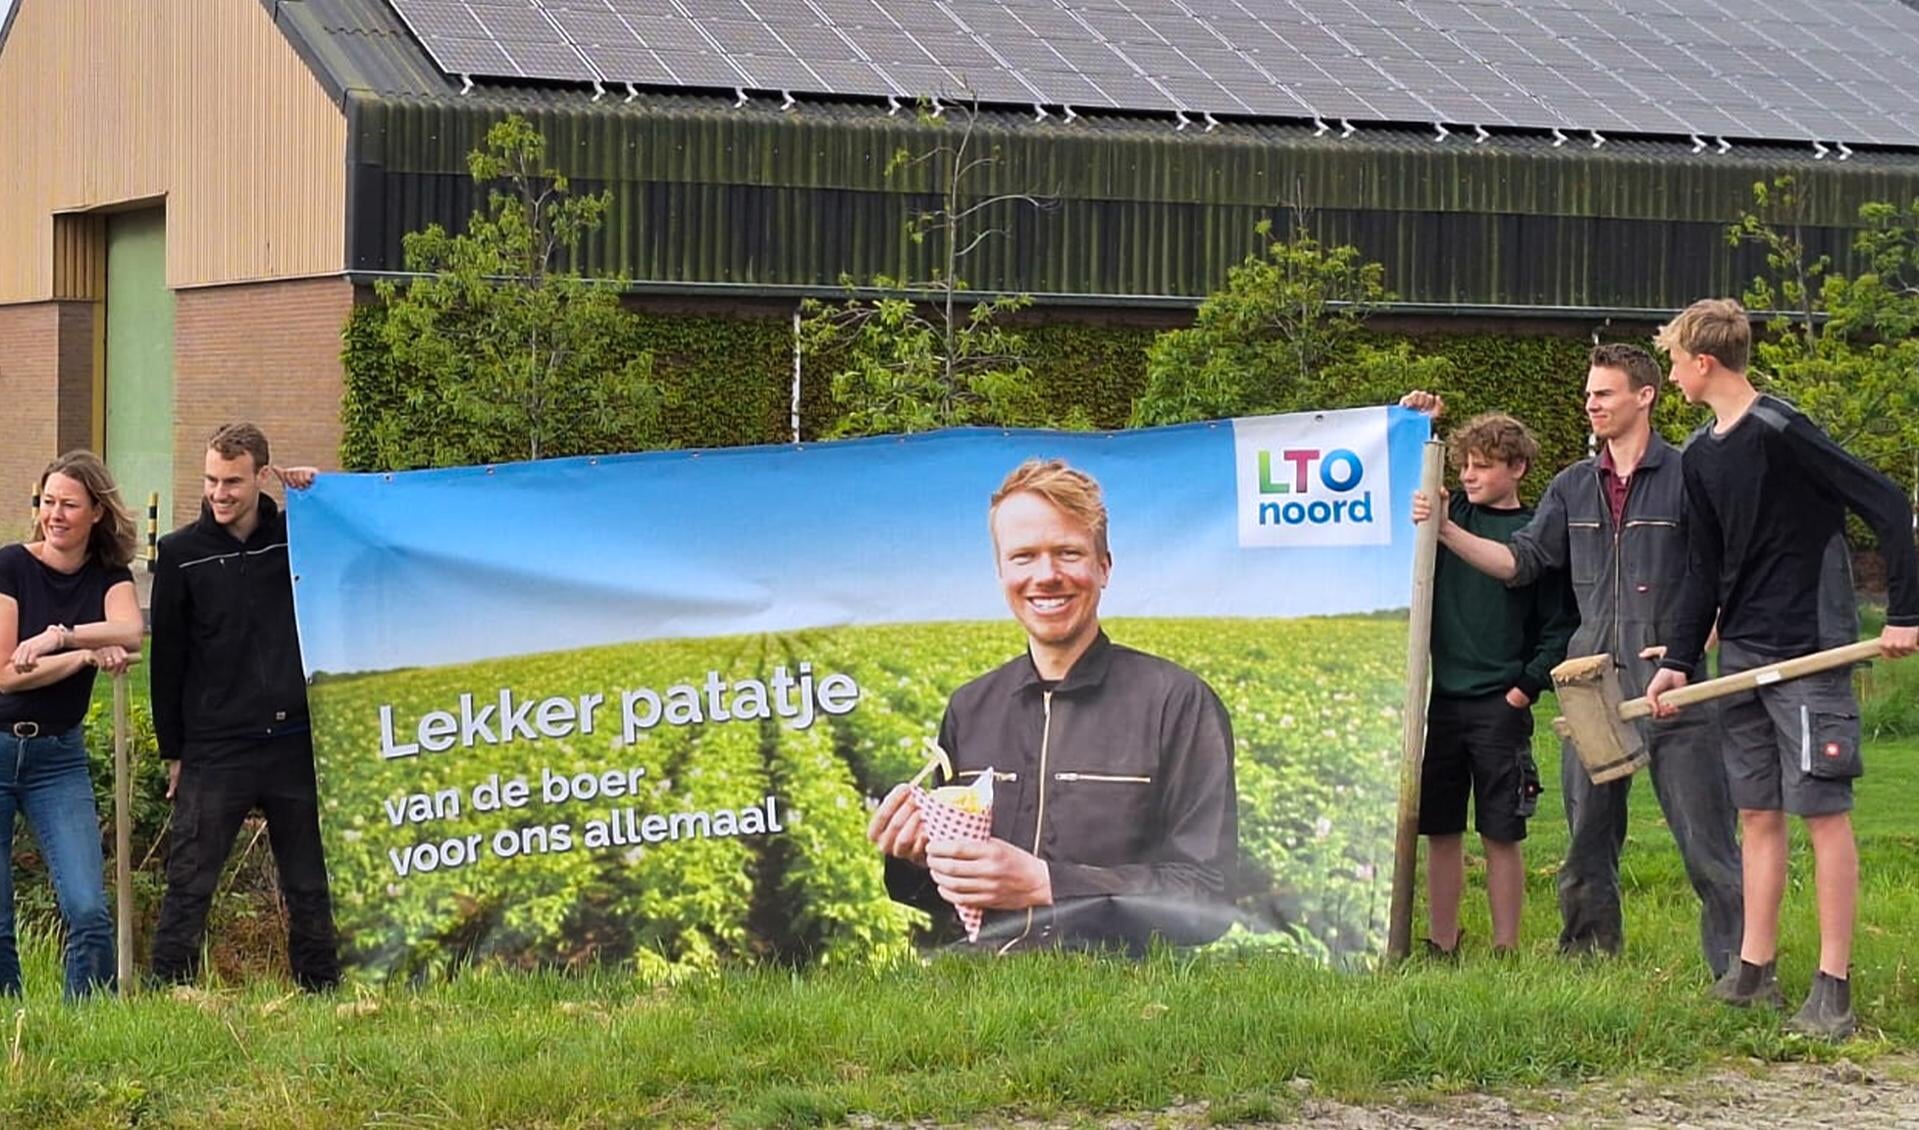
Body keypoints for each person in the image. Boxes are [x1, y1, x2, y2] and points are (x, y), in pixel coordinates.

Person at [1405, 344, 1744, 978]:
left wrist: (1700, 633)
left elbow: (1728, 565)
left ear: (1644, 396)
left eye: (1605, 392)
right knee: (1588, 836)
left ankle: (1738, 969)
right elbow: (1520, 564)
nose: (1591, 403)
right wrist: (1446, 530)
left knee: (1706, 838)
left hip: (1673, 674)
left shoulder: (1691, 472)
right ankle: (1588, 958)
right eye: (1589, 393)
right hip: (1589, 679)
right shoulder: (1571, 485)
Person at [1643, 299, 1918, 1040]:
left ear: (1703, 362)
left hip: (1809, 649)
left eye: (1672, 360)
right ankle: (1752, 973)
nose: (1669, 375)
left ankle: (1833, 989)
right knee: (1757, 813)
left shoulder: (1783, 432)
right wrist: (1675, 660)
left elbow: (1888, 505)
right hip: (1742, 656)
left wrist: (1904, 615)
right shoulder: (1700, 455)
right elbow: (1702, 567)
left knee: (1822, 815)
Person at [866, 458, 1238, 954]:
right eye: (1024, 556)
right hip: (985, 993)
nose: (1047, 575)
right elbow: (961, 903)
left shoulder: (1177, 703)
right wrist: (916, 859)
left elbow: (1207, 898)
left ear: (1103, 567)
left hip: (1124, 998)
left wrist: (1048, 884)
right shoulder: (971, 707)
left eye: (1068, 552)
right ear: (1001, 572)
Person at [147, 423, 340, 991]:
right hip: (216, 747)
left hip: (293, 741)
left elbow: (354, 531)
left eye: (232, 481)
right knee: (190, 880)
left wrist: (316, 490)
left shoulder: (298, 538)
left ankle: (321, 991)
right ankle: (169, 991)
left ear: (262, 477)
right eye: (210, 480)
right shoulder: (180, 554)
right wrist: (174, 751)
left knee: (308, 882)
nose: (219, 493)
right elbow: (168, 663)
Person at [1409, 413, 1576, 956]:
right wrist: (1416, 416)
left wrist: (1523, 690)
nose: (1469, 476)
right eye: (1463, 466)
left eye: (1482, 466)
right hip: (1441, 703)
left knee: (1502, 831)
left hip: (1500, 705)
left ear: (1518, 468)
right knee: (1440, 828)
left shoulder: (1534, 536)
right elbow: (1415, 473)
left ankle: (1506, 947)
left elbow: (1557, 628)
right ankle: (1441, 940)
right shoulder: (1449, 508)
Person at [0, 451, 144, 997]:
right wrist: (85, 656)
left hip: (57, 761)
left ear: (96, 514)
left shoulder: (108, 575)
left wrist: (61, 636)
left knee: (87, 907)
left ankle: (86, 1025)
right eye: (48, 502)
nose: (55, 514)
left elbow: (130, 632)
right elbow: (8, 675)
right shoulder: (10, 565)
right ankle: (13, 1029)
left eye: (69, 505)